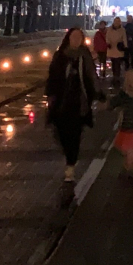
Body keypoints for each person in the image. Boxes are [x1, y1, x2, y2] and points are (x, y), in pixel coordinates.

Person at [45, 27, 104, 182]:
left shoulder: (85, 55)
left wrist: (98, 93)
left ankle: (71, 164)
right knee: (62, 132)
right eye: (74, 37)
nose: (76, 40)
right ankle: (68, 155)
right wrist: (50, 94)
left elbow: (92, 75)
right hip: (61, 101)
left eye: (79, 37)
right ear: (68, 38)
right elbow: (52, 75)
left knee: (75, 133)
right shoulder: (60, 55)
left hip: (79, 101)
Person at [107, 68, 133, 175]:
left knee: (131, 152)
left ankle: (130, 168)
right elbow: (112, 103)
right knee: (131, 152)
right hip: (128, 128)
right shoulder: (126, 96)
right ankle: (130, 168)